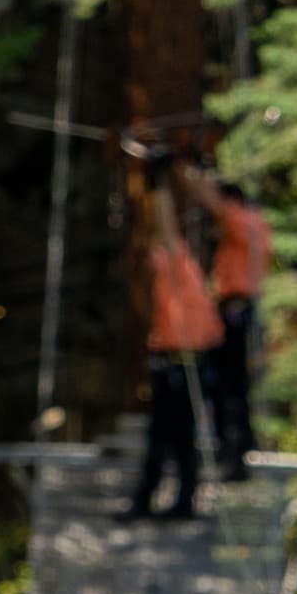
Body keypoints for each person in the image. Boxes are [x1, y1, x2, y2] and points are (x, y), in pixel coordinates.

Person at [124, 161, 223, 522]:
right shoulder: (185, 278)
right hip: (175, 366)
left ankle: (169, 502)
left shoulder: (181, 270)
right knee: (172, 441)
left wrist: (158, 183)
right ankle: (166, 501)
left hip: (184, 369)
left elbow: (164, 229)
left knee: (172, 441)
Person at [181, 164, 272, 480]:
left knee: (226, 387)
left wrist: (191, 170)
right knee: (234, 387)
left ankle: (232, 456)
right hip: (243, 310)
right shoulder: (257, 222)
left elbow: (212, 203)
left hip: (236, 310)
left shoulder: (241, 219)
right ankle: (236, 451)